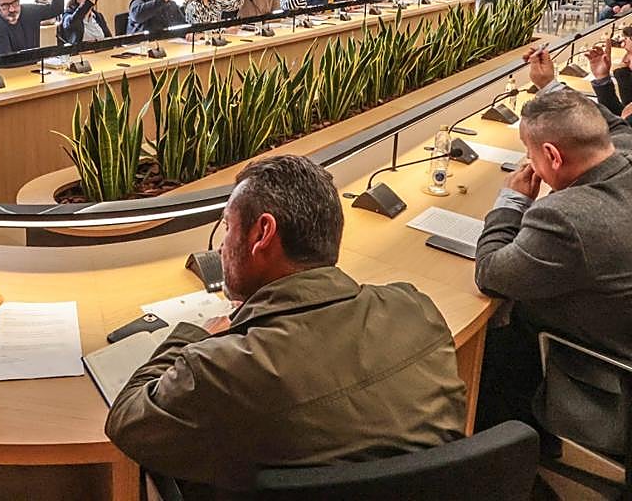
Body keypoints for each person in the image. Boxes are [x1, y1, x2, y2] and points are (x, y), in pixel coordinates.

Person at [105, 155, 466, 494]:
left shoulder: (222, 367)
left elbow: (126, 420)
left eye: (228, 227)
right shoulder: (416, 309)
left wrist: (195, 338)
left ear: (262, 234)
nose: (221, 247)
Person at [473, 49, 632, 440]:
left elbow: (489, 273)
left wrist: (511, 201)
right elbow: (610, 124)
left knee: (491, 331)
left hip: (607, 382)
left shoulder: (564, 218)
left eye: (530, 154)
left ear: (552, 156)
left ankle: (510, 445)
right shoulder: (624, 149)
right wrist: (549, 87)